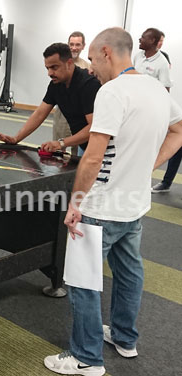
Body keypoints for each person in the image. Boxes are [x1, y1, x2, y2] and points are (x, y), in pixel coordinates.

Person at [43, 27, 182, 376]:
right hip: (133, 206)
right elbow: (179, 130)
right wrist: (148, 164)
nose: (91, 67)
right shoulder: (155, 88)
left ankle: (86, 357)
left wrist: (75, 204)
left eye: (92, 58)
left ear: (107, 52)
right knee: (129, 272)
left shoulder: (111, 92)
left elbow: (92, 157)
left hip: (101, 207)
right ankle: (124, 338)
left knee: (82, 280)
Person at [0, 43, 100, 154]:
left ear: (69, 63)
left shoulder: (88, 84)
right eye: (47, 68)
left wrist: (62, 143)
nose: (49, 73)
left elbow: (94, 127)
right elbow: (39, 114)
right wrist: (16, 139)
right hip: (85, 146)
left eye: (54, 67)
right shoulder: (55, 85)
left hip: (103, 147)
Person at [151, 31, 181, 193]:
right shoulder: (139, 58)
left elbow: (165, 88)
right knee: (178, 146)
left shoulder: (162, 61)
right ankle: (166, 182)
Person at [53, 31, 91, 156]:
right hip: (62, 116)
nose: (74, 48)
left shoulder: (87, 67)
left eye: (78, 45)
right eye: (71, 44)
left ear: (83, 46)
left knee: (78, 151)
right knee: (58, 148)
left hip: (81, 118)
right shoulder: (59, 65)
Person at [133, 27, 171, 92]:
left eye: (143, 37)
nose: (140, 40)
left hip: (148, 100)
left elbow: (166, 89)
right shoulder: (138, 56)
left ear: (152, 41)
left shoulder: (163, 63)